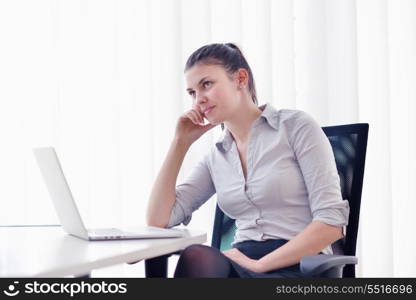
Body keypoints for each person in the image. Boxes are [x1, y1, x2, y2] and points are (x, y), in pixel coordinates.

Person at [146, 43, 349, 278]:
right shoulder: (217, 156)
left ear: (240, 79)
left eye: (207, 84)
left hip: (301, 264)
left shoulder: (295, 127)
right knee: (196, 256)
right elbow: (158, 220)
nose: (199, 100)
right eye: (192, 93)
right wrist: (180, 143)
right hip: (243, 260)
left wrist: (260, 265)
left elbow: (331, 224)